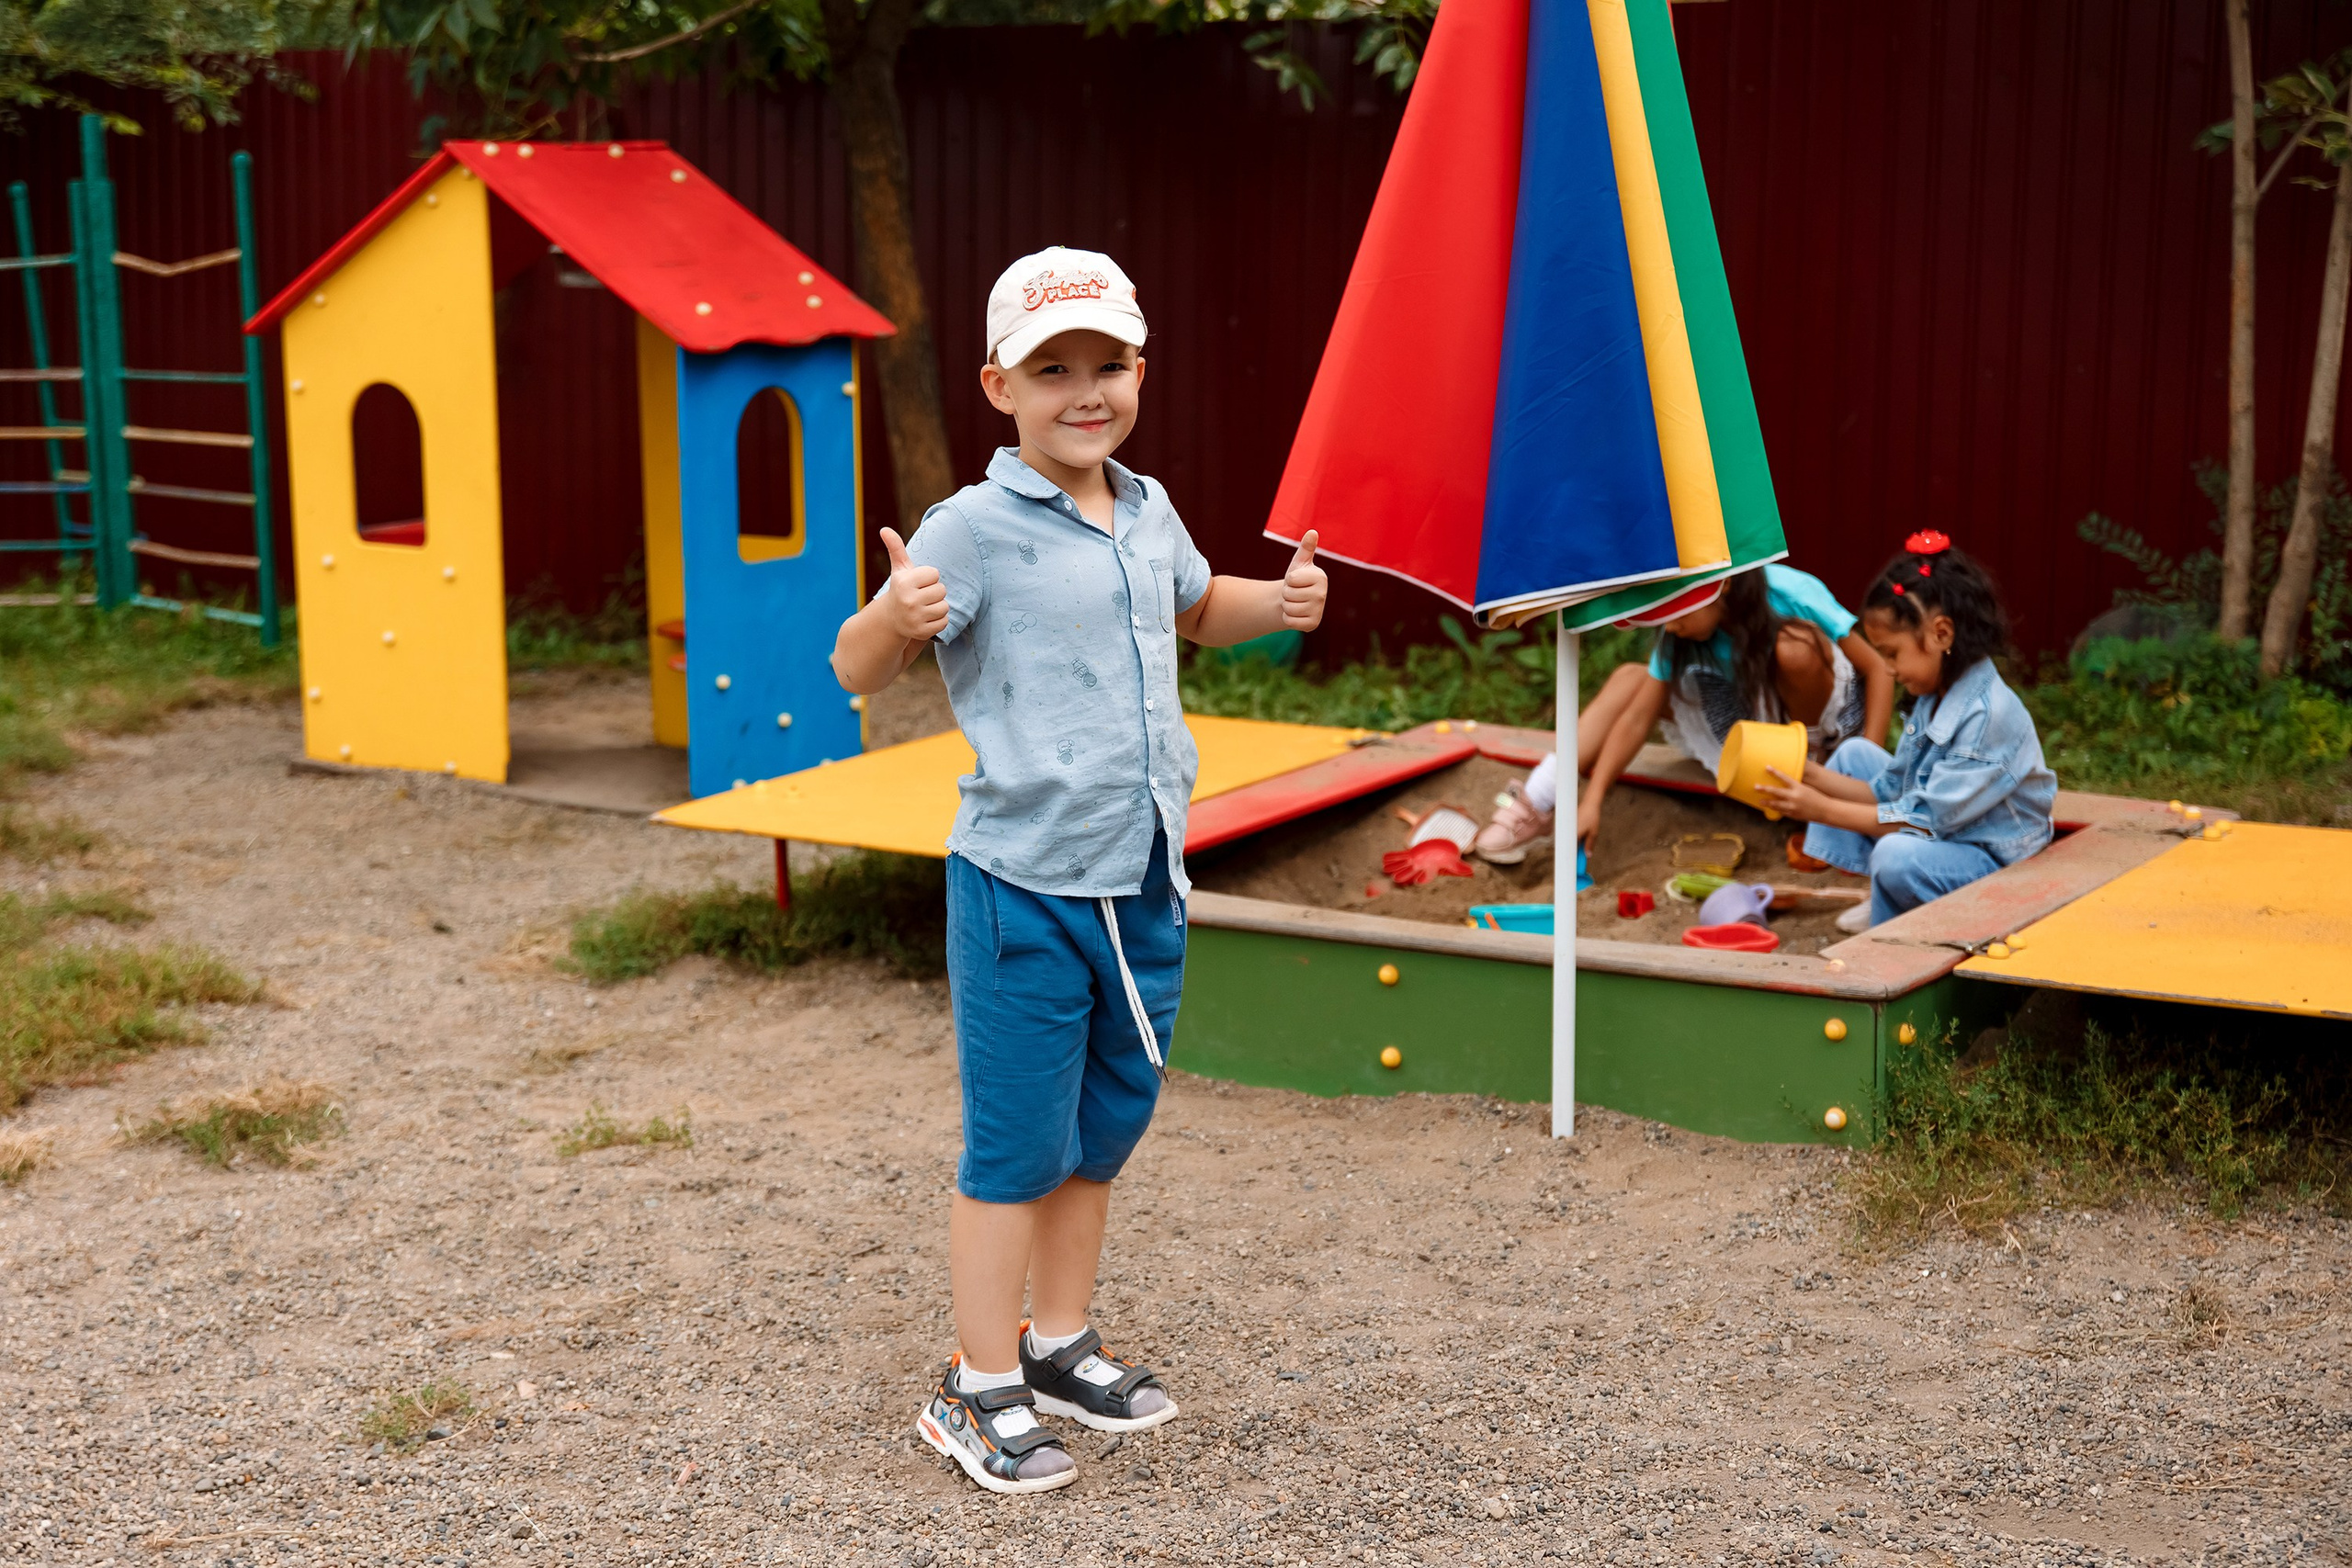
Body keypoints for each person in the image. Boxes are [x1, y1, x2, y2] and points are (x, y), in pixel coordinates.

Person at [829, 246, 1329, 1496]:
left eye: (1107, 364)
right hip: (1024, 887)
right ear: (1001, 386)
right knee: (1014, 1144)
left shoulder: (1147, 507)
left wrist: (1281, 602)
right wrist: (897, 612)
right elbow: (855, 666)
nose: (1084, 390)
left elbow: (1197, 605)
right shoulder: (971, 528)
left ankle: (1055, 1346)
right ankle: (977, 1382)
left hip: (1143, 873)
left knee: (1103, 1128)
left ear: (1139, 373)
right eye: (1054, 370)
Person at [1473, 564, 1895, 863]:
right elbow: (1638, 718)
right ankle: (1541, 798)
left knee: (1794, 649)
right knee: (1629, 678)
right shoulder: (1681, 627)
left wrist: (1865, 762)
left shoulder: (1789, 593)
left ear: (1722, 586)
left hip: (1825, 722)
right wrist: (1593, 800)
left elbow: (1877, 668)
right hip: (1745, 712)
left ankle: (1818, 770)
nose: (1668, 627)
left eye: (1676, 615)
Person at [1757, 532, 2055, 931]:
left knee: (1896, 854)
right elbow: (1893, 789)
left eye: (1892, 654)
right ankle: (1888, 893)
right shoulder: (1936, 693)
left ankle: (1894, 909)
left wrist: (1820, 808)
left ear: (1941, 634)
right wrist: (1804, 773)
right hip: (1947, 833)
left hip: (1997, 862)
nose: (1889, 669)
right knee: (1852, 756)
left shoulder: (1988, 717)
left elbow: (1922, 820)